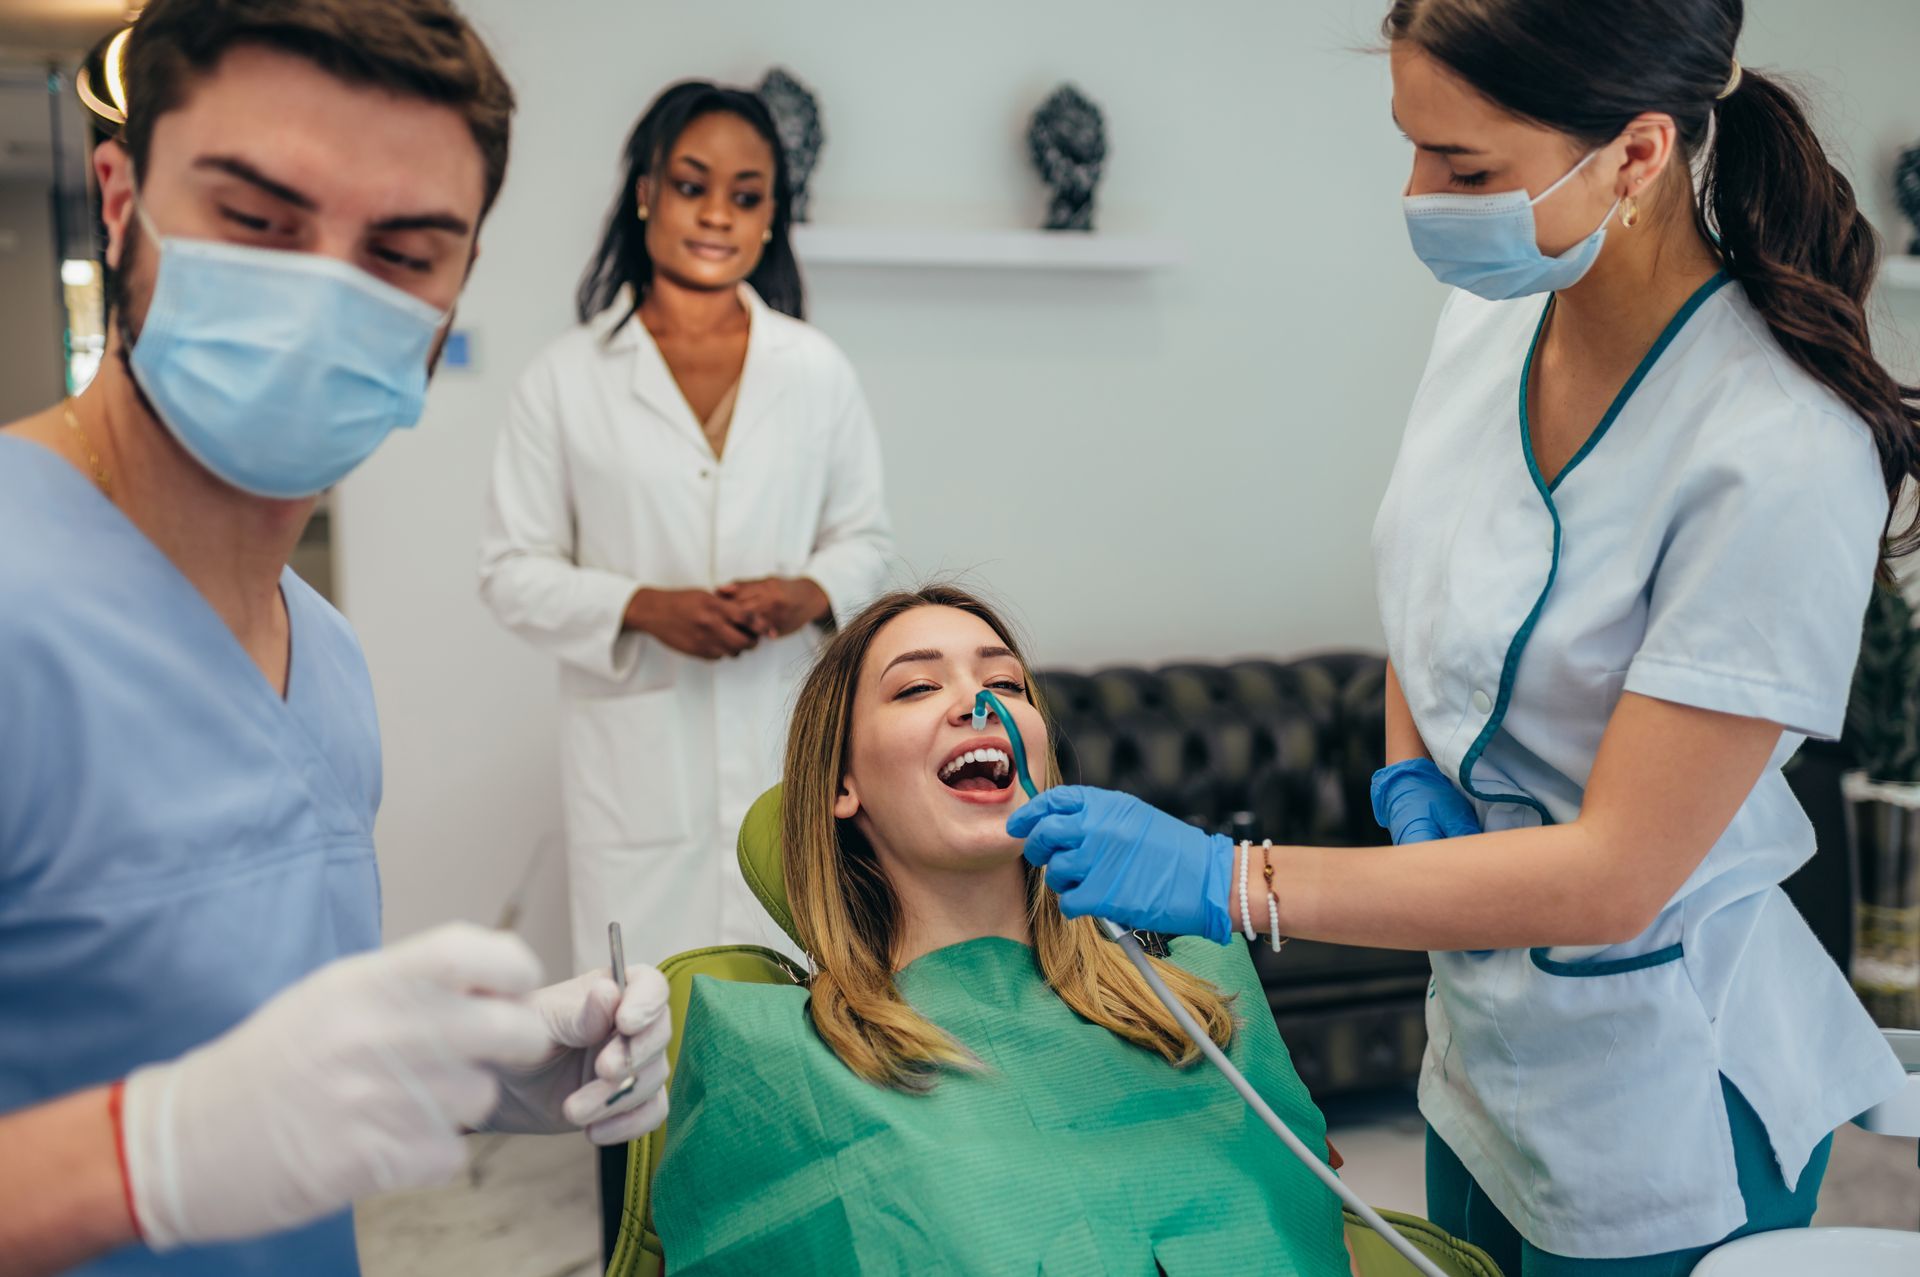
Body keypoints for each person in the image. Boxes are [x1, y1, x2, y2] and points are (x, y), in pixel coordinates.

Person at [1012, 2, 1914, 1274]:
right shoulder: (1492, 324)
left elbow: (1614, 873)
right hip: (1481, 1043)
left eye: (1466, 168)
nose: (1421, 197)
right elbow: (1430, 596)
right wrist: (1412, 775)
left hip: (1661, 1092)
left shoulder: (1780, 449)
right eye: (1413, 147)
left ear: (1639, 154)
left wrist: (1235, 879)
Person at [0, 5, 670, 1275]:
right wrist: (153, 1154)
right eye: (257, 223)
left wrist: (482, 1073)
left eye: (404, 251)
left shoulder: (326, 657)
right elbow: (205, 1124)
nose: (321, 295)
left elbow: (259, 1070)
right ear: (119, 199)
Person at [651, 587, 1350, 1275]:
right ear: (842, 783)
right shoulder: (773, 1058)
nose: (978, 702)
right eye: (918, 686)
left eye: (1006, 683)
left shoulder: (1203, 999)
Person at [478, 80, 893, 974]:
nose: (717, 215)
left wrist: (807, 591)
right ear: (645, 194)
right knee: (641, 1035)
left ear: (772, 216)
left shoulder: (815, 370)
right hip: (636, 774)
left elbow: (868, 540)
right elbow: (510, 568)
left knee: (793, 1016)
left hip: (782, 739)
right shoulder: (567, 377)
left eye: (746, 196)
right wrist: (642, 606)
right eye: (692, 185)